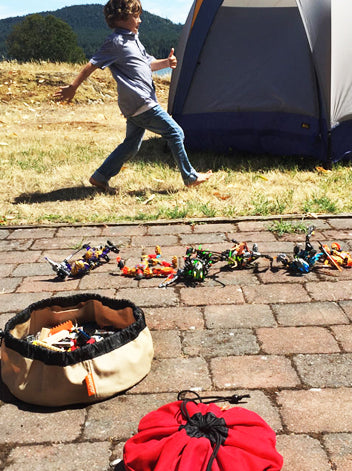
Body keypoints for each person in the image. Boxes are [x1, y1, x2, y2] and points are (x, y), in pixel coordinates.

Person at [55, 0, 212, 194]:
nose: (140, 20)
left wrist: (166, 62)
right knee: (175, 132)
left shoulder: (133, 39)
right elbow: (91, 65)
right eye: (135, 16)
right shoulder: (115, 42)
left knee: (131, 145)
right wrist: (73, 87)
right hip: (142, 102)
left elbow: (147, 64)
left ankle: (100, 177)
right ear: (121, 18)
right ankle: (190, 177)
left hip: (137, 105)